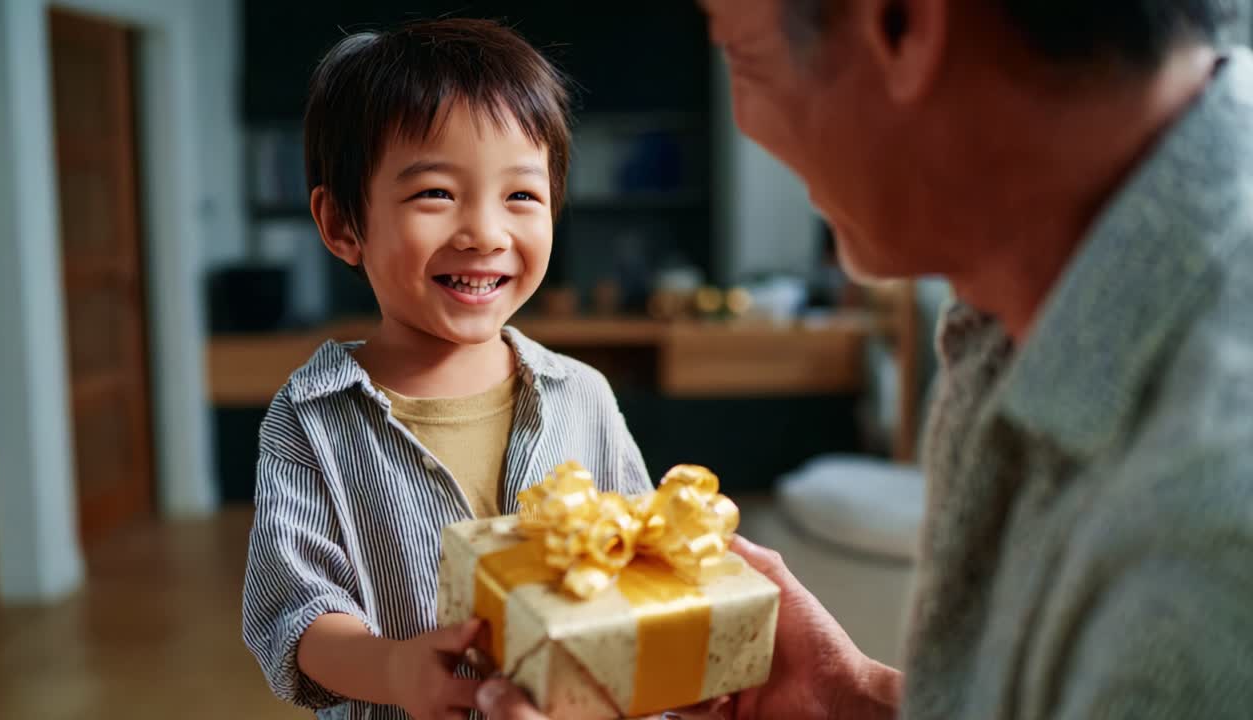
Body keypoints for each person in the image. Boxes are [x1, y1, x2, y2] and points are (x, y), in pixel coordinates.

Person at [477, 0, 1253, 718]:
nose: (746, 121)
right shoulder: (1026, 304)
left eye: (741, 56)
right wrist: (848, 697)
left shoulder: (1198, 531)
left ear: (904, 25)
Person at [240, 19, 654, 720]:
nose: (486, 233)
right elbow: (294, 613)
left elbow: (640, 566)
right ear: (343, 224)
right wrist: (394, 669)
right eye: (436, 193)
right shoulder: (309, 418)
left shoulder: (583, 396)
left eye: (521, 196)